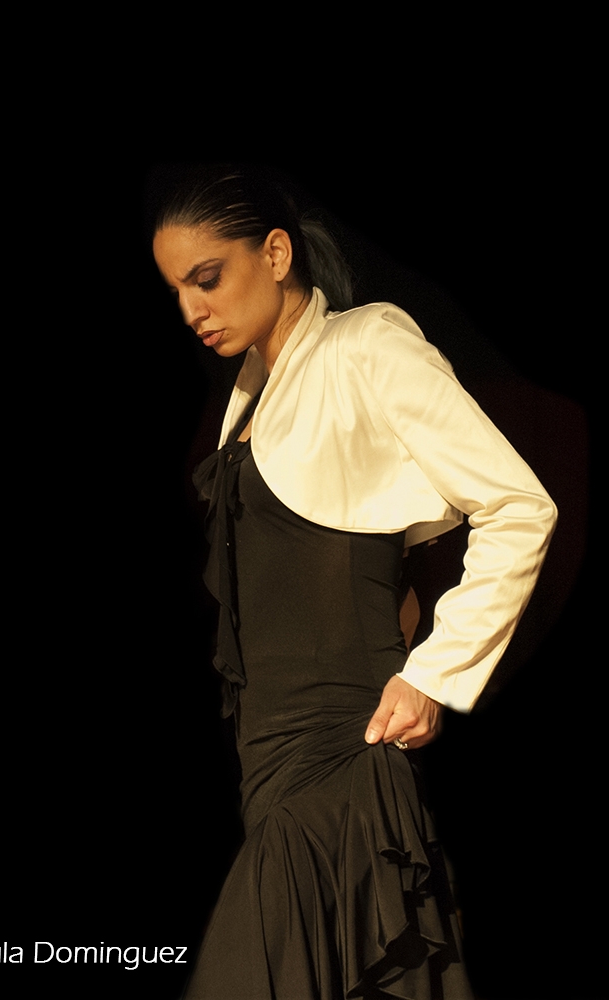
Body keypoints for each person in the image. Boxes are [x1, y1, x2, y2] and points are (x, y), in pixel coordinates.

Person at [152, 165, 557, 1000]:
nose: (191, 309)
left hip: (339, 761)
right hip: (269, 774)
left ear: (275, 254)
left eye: (207, 278)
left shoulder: (364, 346)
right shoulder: (249, 395)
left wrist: (434, 673)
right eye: (177, 290)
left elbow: (519, 505)